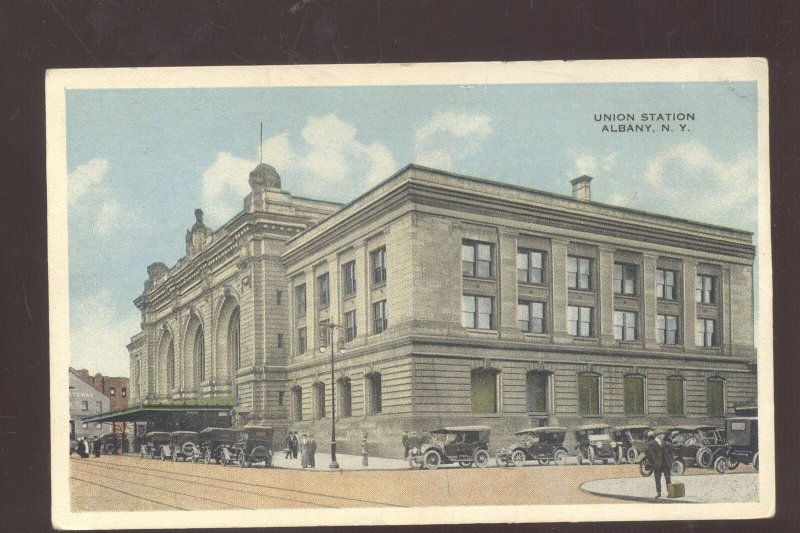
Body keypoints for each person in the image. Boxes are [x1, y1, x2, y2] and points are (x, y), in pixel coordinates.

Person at [646, 431, 674, 498]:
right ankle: (658, 493)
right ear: (658, 435)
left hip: (665, 464)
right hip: (657, 465)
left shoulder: (665, 443)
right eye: (663, 434)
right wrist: (653, 463)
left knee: (668, 479)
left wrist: (669, 461)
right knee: (657, 479)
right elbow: (649, 455)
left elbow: (670, 453)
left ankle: (669, 492)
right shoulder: (652, 444)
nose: (664, 436)